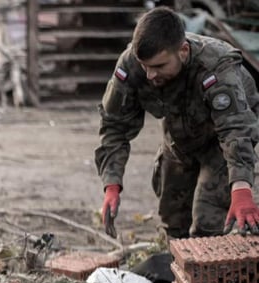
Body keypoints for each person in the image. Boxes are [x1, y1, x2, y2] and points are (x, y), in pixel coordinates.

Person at [96, 6, 259, 239]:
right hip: (179, 137)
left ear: (183, 51)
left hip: (220, 143)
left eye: (159, 66)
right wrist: (112, 184)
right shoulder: (131, 64)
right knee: (172, 221)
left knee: (207, 221)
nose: (150, 75)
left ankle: (206, 258)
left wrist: (241, 188)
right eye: (145, 66)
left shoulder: (216, 66)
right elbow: (114, 126)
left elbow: (236, 129)